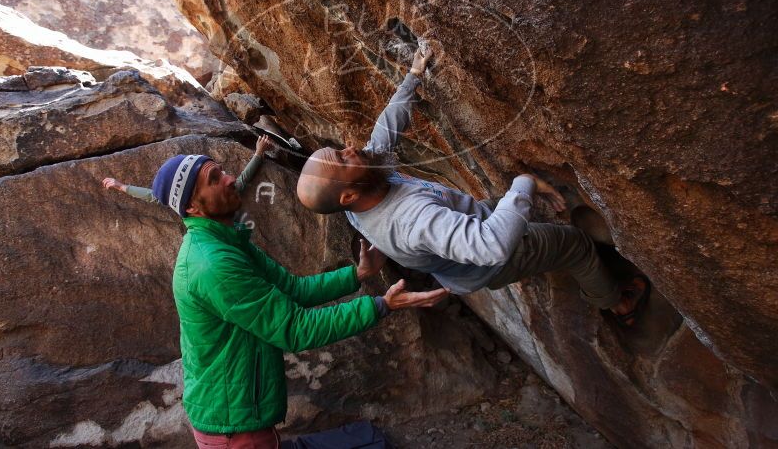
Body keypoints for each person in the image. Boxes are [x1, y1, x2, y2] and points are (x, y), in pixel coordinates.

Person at [296, 47, 649, 326]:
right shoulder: (412, 219)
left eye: (340, 150)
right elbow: (491, 245)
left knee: (507, 207)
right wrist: (523, 184)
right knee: (576, 246)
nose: (351, 149)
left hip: (467, 230)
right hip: (493, 259)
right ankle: (617, 303)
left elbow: (382, 137)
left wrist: (413, 78)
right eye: (343, 158)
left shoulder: (361, 194)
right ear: (348, 195)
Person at [147, 150, 448, 449]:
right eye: (214, 179)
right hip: (235, 430)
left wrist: (357, 274)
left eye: (222, 170)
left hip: (236, 417)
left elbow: (293, 289)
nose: (229, 179)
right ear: (191, 206)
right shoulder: (213, 264)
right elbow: (294, 329)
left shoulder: (227, 242)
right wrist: (383, 305)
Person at [103, 135, 275, 203]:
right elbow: (242, 181)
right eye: (215, 177)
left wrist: (121, 186)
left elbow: (153, 197)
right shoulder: (219, 199)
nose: (226, 175)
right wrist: (258, 153)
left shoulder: (195, 201)